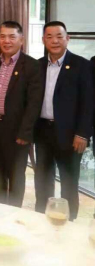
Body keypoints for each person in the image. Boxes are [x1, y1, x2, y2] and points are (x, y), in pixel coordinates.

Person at [35, 21, 94, 219]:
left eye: (59, 36)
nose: (55, 41)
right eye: (49, 37)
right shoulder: (38, 65)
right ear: (43, 40)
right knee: (42, 180)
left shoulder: (82, 65)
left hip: (70, 135)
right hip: (42, 131)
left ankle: (69, 220)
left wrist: (83, 133)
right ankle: (41, 217)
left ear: (67, 39)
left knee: (69, 182)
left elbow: (89, 102)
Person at [0, 21, 43, 207]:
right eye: (3, 36)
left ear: (21, 40)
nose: (7, 41)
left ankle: (13, 213)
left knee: (16, 177)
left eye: (12, 37)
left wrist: (25, 133)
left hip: (17, 131)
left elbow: (34, 103)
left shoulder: (32, 66)